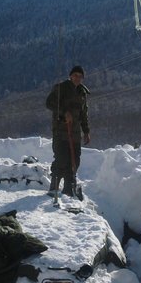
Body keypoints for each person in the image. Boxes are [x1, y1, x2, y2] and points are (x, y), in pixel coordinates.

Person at [46, 65, 90, 197]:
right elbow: (49, 103)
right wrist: (64, 113)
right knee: (61, 158)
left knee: (75, 160)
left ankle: (68, 189)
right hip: (61, 130)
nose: (77, 78)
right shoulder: (62, 88)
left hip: (75, 132)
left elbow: (83, 114)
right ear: (70, 76)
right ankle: (54, 186)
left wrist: (86, 131)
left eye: (80, 76)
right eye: (75, 75)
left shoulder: (82, 92)